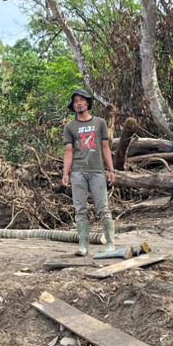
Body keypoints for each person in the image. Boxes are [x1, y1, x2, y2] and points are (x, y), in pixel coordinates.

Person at [62, 88, 117, 257]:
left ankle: (110, 243)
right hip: (78, 172)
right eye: (75, 101)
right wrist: (65, 173)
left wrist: (111, 169)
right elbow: (69, 151)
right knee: (80, 209)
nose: (78, 103)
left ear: (87, 102)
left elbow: (105, 147)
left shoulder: (100, 123)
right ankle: (83, 245)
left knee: (103, 208)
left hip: (97, 171)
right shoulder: (70, 127)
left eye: (81, 100)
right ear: (73, 106)